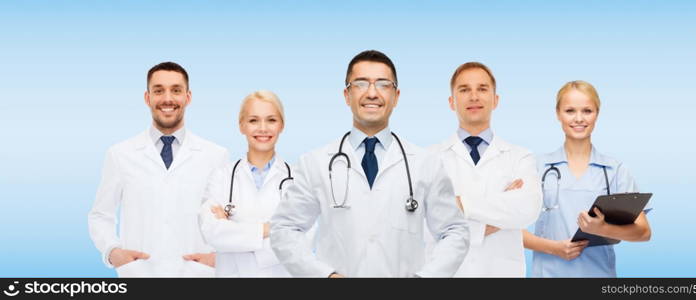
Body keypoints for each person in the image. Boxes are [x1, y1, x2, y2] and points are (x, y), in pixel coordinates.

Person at [270, 50, 469, 277]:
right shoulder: (314, 163)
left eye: (383, 84)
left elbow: (455, 231)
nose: (372, 93)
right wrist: (323, 276)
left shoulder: (426, 164)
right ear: (347, 95)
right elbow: (284, 229)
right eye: (361, 83)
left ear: (396, 96)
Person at [88, 62, 229, 277]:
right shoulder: (120, 154)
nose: (167, 99)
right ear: (147, 98)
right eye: (158, 90)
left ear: (188, 97)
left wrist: (220, 258)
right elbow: (100, 215)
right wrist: (113, 252)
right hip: (140, 275)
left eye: (176, 90)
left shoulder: (216, 156)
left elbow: (228, 220)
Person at [523, 80, 652, 277]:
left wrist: (604, 228)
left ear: (597, 114)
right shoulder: (536, 168)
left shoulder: (614, 170)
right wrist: (554, 248)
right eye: (570, 111)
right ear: (558, 114)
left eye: (587, 111)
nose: (579, 118)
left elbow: (643, 232)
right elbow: (508, 230)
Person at [428, 62, 541, 277]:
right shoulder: (430, 159)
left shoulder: (519, 157)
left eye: (482, 89)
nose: (473, 96)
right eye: (464, 90)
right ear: (452, 102)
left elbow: (528, 209)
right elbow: (426, 223)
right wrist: (494, 221)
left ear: (495, 100)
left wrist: (460, 203)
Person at [199, 90, 291, 277]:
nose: (263, 128)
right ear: (241, 126)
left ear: (282, 125)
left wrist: (233, 235)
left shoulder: (298, 180)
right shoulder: (221, 177)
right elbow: (212, 232)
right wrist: (269, 229)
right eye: (253, 120)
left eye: (271, 120)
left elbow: (298, 242)